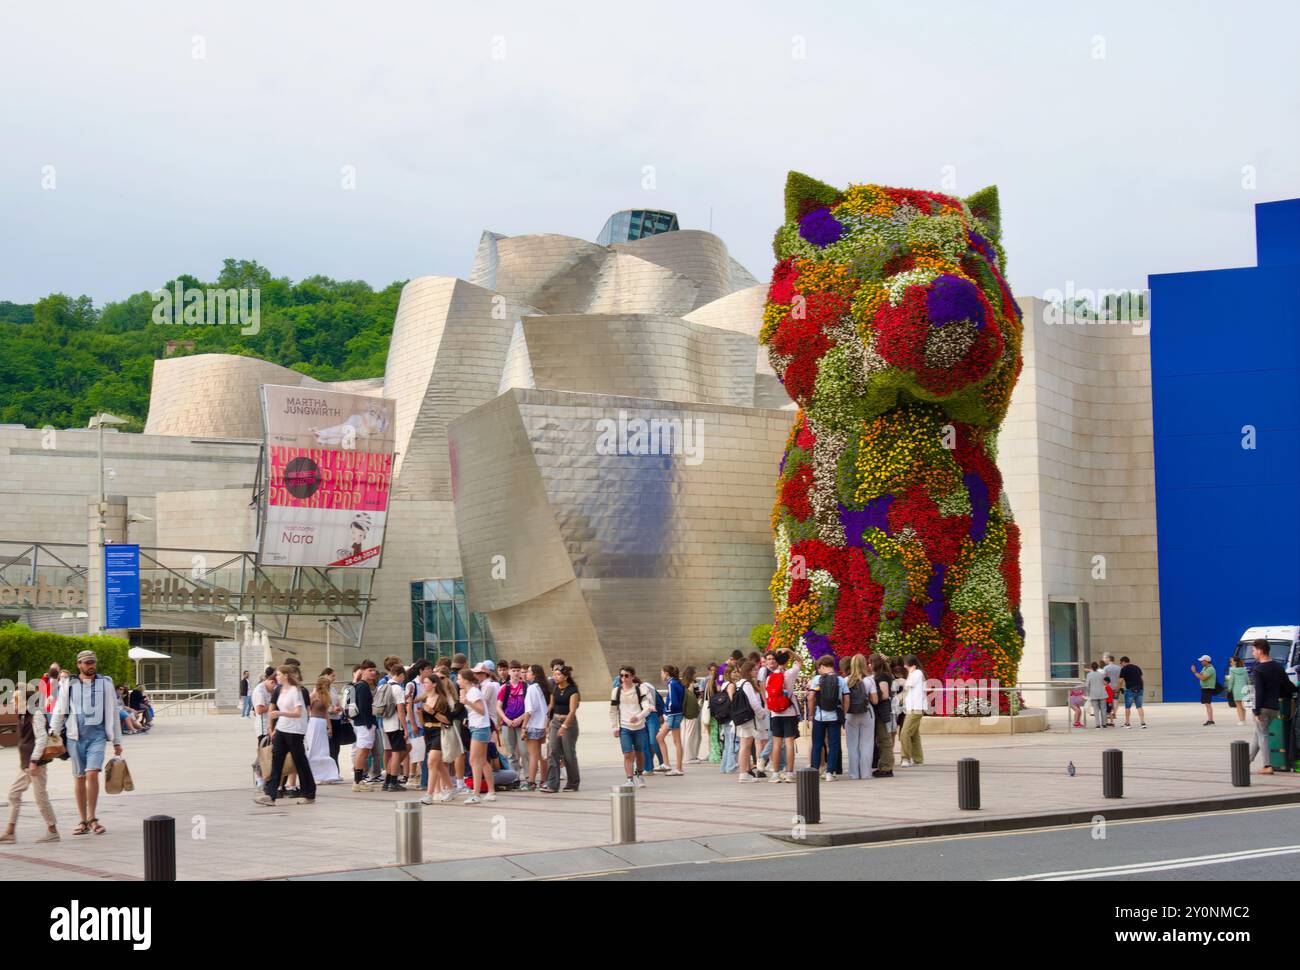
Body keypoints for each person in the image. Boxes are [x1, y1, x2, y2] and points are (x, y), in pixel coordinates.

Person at [50, 650, 123, 836]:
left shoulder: (105, 683)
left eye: (93, 662)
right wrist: (53, 735)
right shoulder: (69, 684)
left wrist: (117, 741)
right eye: (87, 663)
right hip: (75, 738)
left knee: (92, 774)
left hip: (97, 737)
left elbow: (113, 713)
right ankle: (83, 820)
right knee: (80, 778)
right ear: (79, 664)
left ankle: (92, 818)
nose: (91, 666)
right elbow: (60, 710)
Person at [2, 682, 60, 844]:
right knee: (14, 794)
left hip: (36, 764)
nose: (13, 702)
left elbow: (41, 739)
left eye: (15, 699)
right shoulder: (23, 714)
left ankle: (53, 831)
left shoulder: (36, 715)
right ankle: (10, 832)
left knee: (40, 797)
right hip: (26, 763)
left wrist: (34, 761)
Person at [255, 665, 316, 806]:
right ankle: (270, 795)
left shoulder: (295, 691)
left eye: (278, 675)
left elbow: (298, 713)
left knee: (300, 761)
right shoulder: (279, 690)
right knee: (276, 760)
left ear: (286, 675)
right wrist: (274, 727)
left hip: (295, 730)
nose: (276, 677)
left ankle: (309, 793)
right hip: (282, 728)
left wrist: (280, 713)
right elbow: (274, 708)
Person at [1249, 639, 1296, 775]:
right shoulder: (1277, 667)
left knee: (1263, 735)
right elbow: (1287, 686)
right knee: (1258, 734)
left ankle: (1267, 765)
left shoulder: (1258, 669)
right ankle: (1246, 760)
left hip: (1262, 707)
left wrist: (1256, 711)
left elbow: (1259, 692)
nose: (1253, 653)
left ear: (1260, 651)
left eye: (1253, 650)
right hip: (1274, 708)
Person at [610, 665, 655, 788]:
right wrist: (615, 727)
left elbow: (648, 708)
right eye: (621, 676)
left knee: (639, 753)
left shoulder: (640, 690)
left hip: (639, 727)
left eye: (626, 675)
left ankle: (639, 774)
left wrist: (638, 717)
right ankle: (629, 779)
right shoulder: (616, 691)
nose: (623, 678)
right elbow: (613, 711)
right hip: (624, 728)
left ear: (632, 677)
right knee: (627, 754)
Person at [461, 662, 497, 804]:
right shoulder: (472, 691)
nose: (458, 680)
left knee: (474, 760)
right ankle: (491, 791)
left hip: (480, 728)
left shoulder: (474, 692)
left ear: (466, 679)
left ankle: (476, 793)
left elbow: (481, 710)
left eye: (459, 678)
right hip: (478, 727)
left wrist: (467, 702)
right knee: (482, 761)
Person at [807, 655, 847, 780]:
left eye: (819, 668)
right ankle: (830, 772)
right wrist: (844, 713)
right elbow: (847, 698)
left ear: (822, 666)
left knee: (817, 743)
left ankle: (814, 770)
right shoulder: (840, 680)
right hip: (835, 716)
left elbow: (811, 697)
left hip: (820, 716)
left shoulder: (817, 679)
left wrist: (811, 714)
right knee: (834, 744)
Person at [419, 671, 456, 804]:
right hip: (428, 732)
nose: (424, 685)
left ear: (434, 684)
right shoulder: (426, 699)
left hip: (439, 732)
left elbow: (447, 720)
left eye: (427, 683)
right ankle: (451, 789)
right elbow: (423, 719)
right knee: (439, 765)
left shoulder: (442, 699)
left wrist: (433, 712)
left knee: (431, 762)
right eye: (423, 683)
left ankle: (429, 794)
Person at [543, 664, 580, 793]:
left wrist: (564, 726)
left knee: (568, 754)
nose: (555, 677)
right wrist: (547, 723)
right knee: (553, 752)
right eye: (554, 674)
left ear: (565, 676)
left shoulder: (573, 691)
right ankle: (552, 784)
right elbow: (551, 707)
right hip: (555, 722)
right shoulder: (555, 689)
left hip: (568, 724)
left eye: (558, 675)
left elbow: (572, 711)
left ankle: (573, 783)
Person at [765, 649, 799, 783]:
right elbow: (800, 661)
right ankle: (789, 773)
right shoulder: (790, 673)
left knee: (777, 744)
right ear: (787, 660)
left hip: (775, 713)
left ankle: (775, 774)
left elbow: (768, 695)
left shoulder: (770, 677)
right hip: (789, 712)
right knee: (789, 742)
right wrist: (790, 651)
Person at [730, 661, 766, 783]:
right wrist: (762, 714)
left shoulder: (739, 683)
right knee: (745, 746)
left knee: (744, 745)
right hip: (747, 719)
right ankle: (744, 773)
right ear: (748, 671)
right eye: (754, 670)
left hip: (741, 717)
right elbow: (754, 702)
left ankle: (744, 771)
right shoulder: (747, 684)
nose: (756, 672)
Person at [844, 654, 878, 780]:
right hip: (867, 713)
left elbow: (842, 699)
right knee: (867, 743)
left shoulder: (845, 680)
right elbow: (875, 701)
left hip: (850, 714)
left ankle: (854, 774)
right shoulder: (869, 680)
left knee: (852, 745)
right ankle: (866, 773)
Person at [376, 664, 409, 792]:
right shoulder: (397, 689)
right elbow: (401, 711)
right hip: (396, 725)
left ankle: (388, 781)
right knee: (396, 753)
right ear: (400, 675)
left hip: (386, 723)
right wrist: (405, 728)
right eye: (403, 677)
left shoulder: (383, 687)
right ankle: (393, 782)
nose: (403, 680)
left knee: (397, 751)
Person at [348, 660, 378, 792]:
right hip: (365, 724)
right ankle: (358, 781)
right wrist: (369, 723)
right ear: (363, 671)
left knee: (363, 751)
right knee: (362, 751)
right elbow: (364, 707)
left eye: (374, 670)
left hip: (362, 723)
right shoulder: (363, 686)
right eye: (369, 670)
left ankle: (358, 780)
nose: (373, 672)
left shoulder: (360, 685)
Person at [305, 676, 340, 785]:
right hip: (313, 722)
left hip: (321, 723)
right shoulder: (313, 695)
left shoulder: (326, 696)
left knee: (323, 749)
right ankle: (313, 774)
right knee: (314, 748)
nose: (328, 687)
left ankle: (326, 774)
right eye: (327, 685)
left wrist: (329, 726)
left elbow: (326, 713)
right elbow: (307, 710)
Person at [522, 664, 551, 791]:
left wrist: (524, 727)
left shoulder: (532, 688)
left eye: (528, 672)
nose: (526, 674)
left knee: (533, 755)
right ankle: (544, 780)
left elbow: (529, 710)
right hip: (543, 724)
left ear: (534, 675)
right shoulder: (543, 687)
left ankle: (531, 781)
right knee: (542, 755)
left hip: (533, 725)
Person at [497, 661, 529, 775]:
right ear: (509, 672)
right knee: (511, 753)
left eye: (518, 671)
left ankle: (528, 778)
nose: (516, 673)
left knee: (524, 752)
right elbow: (498, 706)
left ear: (521, 672)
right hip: (508, 724)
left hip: (522, 723)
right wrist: (506, 720)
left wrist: (520, 719)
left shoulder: (526, 687)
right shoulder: (504, 688)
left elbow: (530, 708)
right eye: (513, 671)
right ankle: (514, 777)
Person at [655, 665, 686, 775]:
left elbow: (673, 702)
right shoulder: (675, 683)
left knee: (676, 741)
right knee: (660, 737)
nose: (661, 675)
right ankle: (667, 764)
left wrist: (667, 711)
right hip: (675, 714)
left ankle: (678, 768)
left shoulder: (672, 684)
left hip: (673, 715)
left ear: (666, 673)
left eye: (662, 672)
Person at [899, 655, 926, 766]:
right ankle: (918, 758)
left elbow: (907, 685)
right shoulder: (916, 674)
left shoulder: (917, 673)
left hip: (916, 708)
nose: (905, 666)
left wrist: (903, 679)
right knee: (914, 734)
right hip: (913, 708)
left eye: (906, 664)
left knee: (904, 733)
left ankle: (905, 758)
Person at [871, 655, 895, 777]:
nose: (869, 665)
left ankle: (887, 767)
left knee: (883, 739)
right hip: (879, 710)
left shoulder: (882, 676)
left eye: (870, 663)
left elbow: (884, 694)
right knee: (881, 739)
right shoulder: (881, 675)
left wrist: (873, 697)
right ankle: (883, 765)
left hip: (881, 710)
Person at [680, 665, 703, 764]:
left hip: (685, 711)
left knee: (686, 733)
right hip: (692, 711)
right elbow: (694, 697)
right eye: (695, 673)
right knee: (692, 734)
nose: (696, 675)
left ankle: (688, 755)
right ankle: (690, 756)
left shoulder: (681, 683)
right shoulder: (692, 683)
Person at [1118, 656, 1146, 728]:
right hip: (1140, 689)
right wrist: (1142, 688)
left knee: (1128, 707)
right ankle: (1142, 723)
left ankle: (1127, 723)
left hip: (1130, 689)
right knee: (1139, 706)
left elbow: (1121, 681)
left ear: (1124, 662)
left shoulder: (1124, 669)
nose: (1121, 664)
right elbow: (1141, 679)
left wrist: (1118, 689)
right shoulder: (1137, 667)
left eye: (1121, 663)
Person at [704, 665, 724, 764]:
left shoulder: (709, 682)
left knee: (713, 734)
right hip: (718, 711)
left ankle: (715, 755)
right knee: (719, 733)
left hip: (711, 710)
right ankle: (718, 754)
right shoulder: (718, 684)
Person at [1192, 654, 1217, 725]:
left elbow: (1203, 677)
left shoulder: (1210, 669)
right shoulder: (1205, 668)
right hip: (1205, 688)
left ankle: (1210, 720)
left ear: (1207, 661)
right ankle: (1210, 719)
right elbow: (1200, 676)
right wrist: (1196, 673)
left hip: (1208, 688)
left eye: (1202, 661)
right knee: (1207, 704)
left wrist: (1194, 672)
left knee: (1207, 704)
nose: (1201, 662)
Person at [1225, 656, 1250, 726]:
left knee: (1238, 706)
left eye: (1231, 661)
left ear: (1235, 662)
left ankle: (1241, 721)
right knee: (1242, 706)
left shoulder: (1232, 669)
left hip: (1236, 689)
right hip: (1244, 688)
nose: (1230, 663)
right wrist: (1248, 687)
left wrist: (1229, 688)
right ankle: (1244, 720)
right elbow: (1247, 679)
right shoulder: (1244, 669)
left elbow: (1231, 680)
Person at [1084, 661, 1108, 730]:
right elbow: (1103, 683)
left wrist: (1089, 692)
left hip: (1093, 694)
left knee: (1096, 709)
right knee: (1103, 709)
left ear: (1091, 667)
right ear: (1097, 667)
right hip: (1102, 693)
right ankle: (1104, 724)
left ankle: (1097, 724)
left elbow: (1087, 685)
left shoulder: (1089, 675)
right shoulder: (1101, 674)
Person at [1102, 654, 1122, 725]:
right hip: (1116, 686)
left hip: (1108, 687)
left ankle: (1109, 713)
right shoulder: (1118, 668)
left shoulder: (1106, 668)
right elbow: (1120, 678)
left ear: (1109, 659)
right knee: (1115, 700)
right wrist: (1120, 686)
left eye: (1107, 659)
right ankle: (1114, 713)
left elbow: (1103, 677)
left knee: (1108, 701)